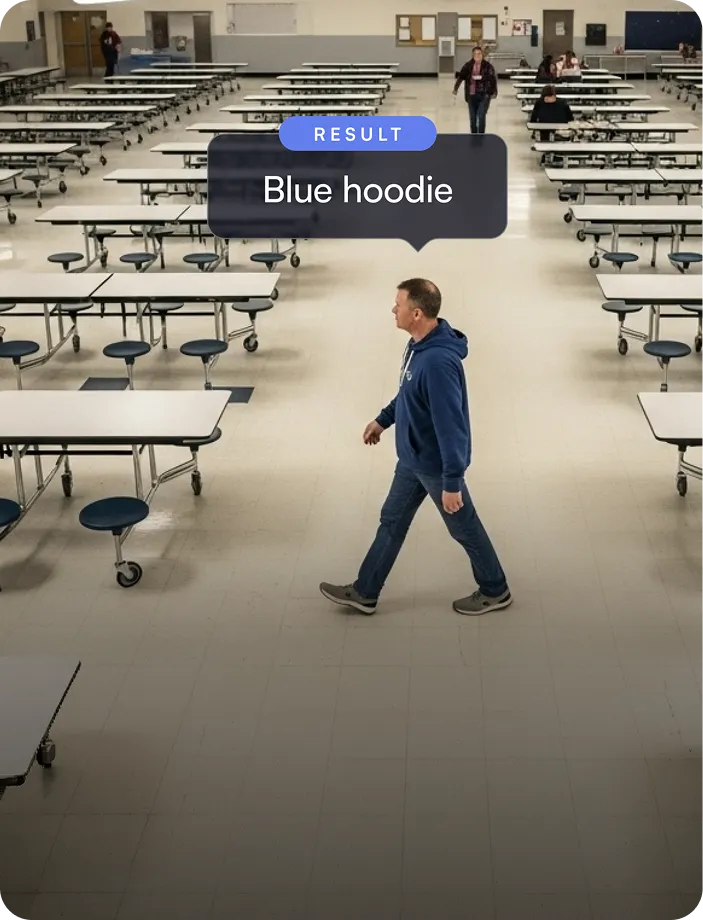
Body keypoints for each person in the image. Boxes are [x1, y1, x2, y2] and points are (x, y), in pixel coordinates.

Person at [319, 279, 511, 617]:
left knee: (463, 527)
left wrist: (452, 482)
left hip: (435, 466)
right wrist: (383, 420)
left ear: (417, 313)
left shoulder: (437, 364)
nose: (393, 309)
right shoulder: (417, 346)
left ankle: (495, 589)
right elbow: (409, 395)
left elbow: (451, 427)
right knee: (391, 522)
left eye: (399, 304)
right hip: (411, 459)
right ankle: (365, 592)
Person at [452, 46, 497, 135]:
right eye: (475, 54)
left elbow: (493, 79)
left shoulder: (488, 66)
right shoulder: (468, 66)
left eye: (479, 54)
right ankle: (474, 136)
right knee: (473, 118)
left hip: (484, 94)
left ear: (482, 55)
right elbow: (461, 77)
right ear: (473, 55)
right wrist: (455, 88)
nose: (477, 56)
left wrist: (494, 91)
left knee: (481, 115)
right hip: (471, 94)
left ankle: (481, 136)